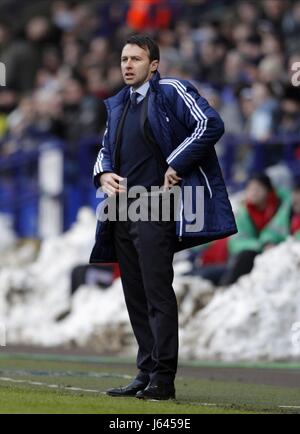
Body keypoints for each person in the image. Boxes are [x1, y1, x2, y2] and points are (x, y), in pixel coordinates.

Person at [90, 34, 237, 400]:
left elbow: (210, 124)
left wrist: (177, 163)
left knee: (157, 292)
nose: (127, 65)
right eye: (124, 59)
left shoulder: (172, 90)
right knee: (135, 294)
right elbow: (106, 149)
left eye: (136, 59)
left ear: (153, 64)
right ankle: (145, 370)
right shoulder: (118, 103)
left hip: (159, 206)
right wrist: (102, 175)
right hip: (122, 209)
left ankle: (163, 379)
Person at [222, 173, 289, 286]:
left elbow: (279, 228)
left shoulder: (283, 205)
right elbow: (235, 243)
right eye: (250, 189)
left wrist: (268, 242)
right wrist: (261, 245)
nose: (253, 192)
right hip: (253, 254)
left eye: (257, 189)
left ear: (268, 190)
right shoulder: (244, 212)